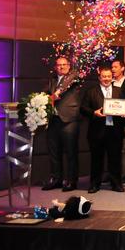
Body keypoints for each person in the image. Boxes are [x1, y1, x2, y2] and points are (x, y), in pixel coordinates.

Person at [80, 65, 125, 193]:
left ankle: (116, 184)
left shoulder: (119, 91)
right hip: (97, 131)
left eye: (109, 76)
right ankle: (95, 184)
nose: (106, 79)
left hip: (115, 131)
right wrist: (93, 112)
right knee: (96, 159)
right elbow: (83, 108)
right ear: (99, 77)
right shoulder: (91, 91)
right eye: (104, 76)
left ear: (112, 77)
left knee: (115, 159)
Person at [43, 56, 82, 191]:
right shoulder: (52, 80)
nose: (61, 67)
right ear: (55, 67)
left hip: (69, 120)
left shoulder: (74, 77)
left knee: (71, 152)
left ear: (69, 66)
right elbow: (46, 96)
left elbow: (67, 83)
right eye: (59, 65)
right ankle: (56, 179)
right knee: (54, 152)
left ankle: (71, 181)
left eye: (64, 64)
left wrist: (55, 94)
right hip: (53, 119)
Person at [111, 58, 125, 186]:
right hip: (111, 121)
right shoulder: (110, 83)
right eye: (112, 67)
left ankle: (124, 176)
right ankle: (112, 174)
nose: (113, 69)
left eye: (115, 67)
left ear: (123, 68)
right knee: (112, 148)